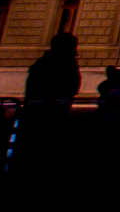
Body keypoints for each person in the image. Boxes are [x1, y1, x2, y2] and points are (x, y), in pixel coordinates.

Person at [20, 33, 83, 173]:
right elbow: (72, 85)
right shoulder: (65, 64)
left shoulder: (43, 63)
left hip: (40, 114)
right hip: (51, 114)